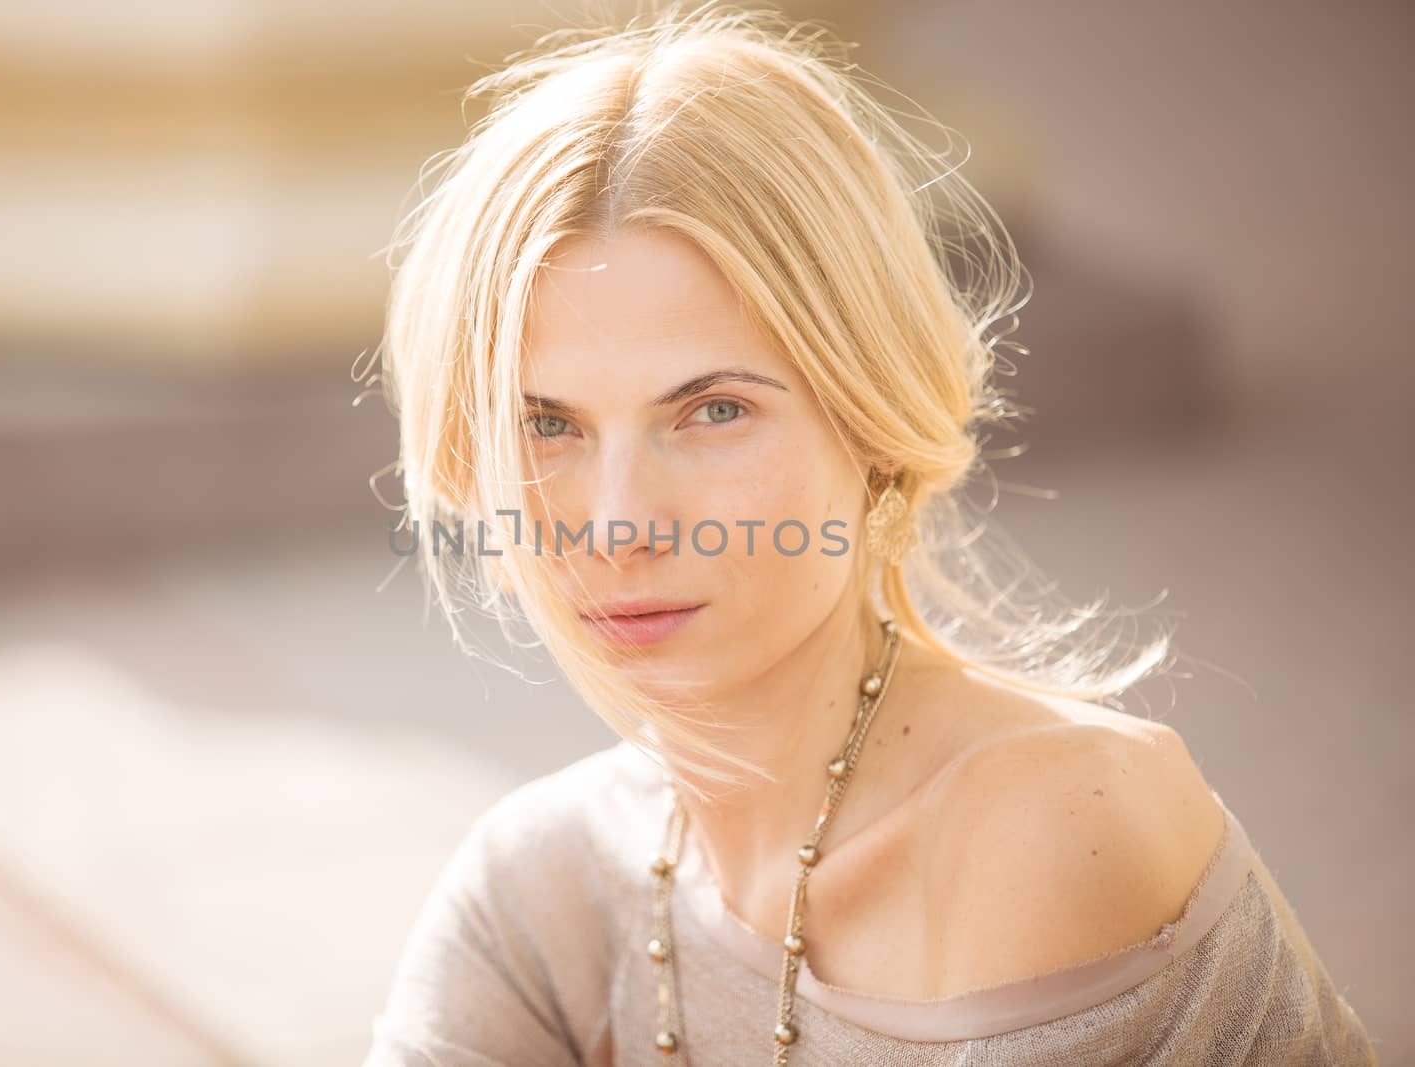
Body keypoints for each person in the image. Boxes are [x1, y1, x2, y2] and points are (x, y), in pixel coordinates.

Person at [358, 4, 1377, 1063]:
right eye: (546, 423)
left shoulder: (1052, 821)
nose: (617, 525)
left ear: (870, 417)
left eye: (713, 410)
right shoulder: (539, 891)